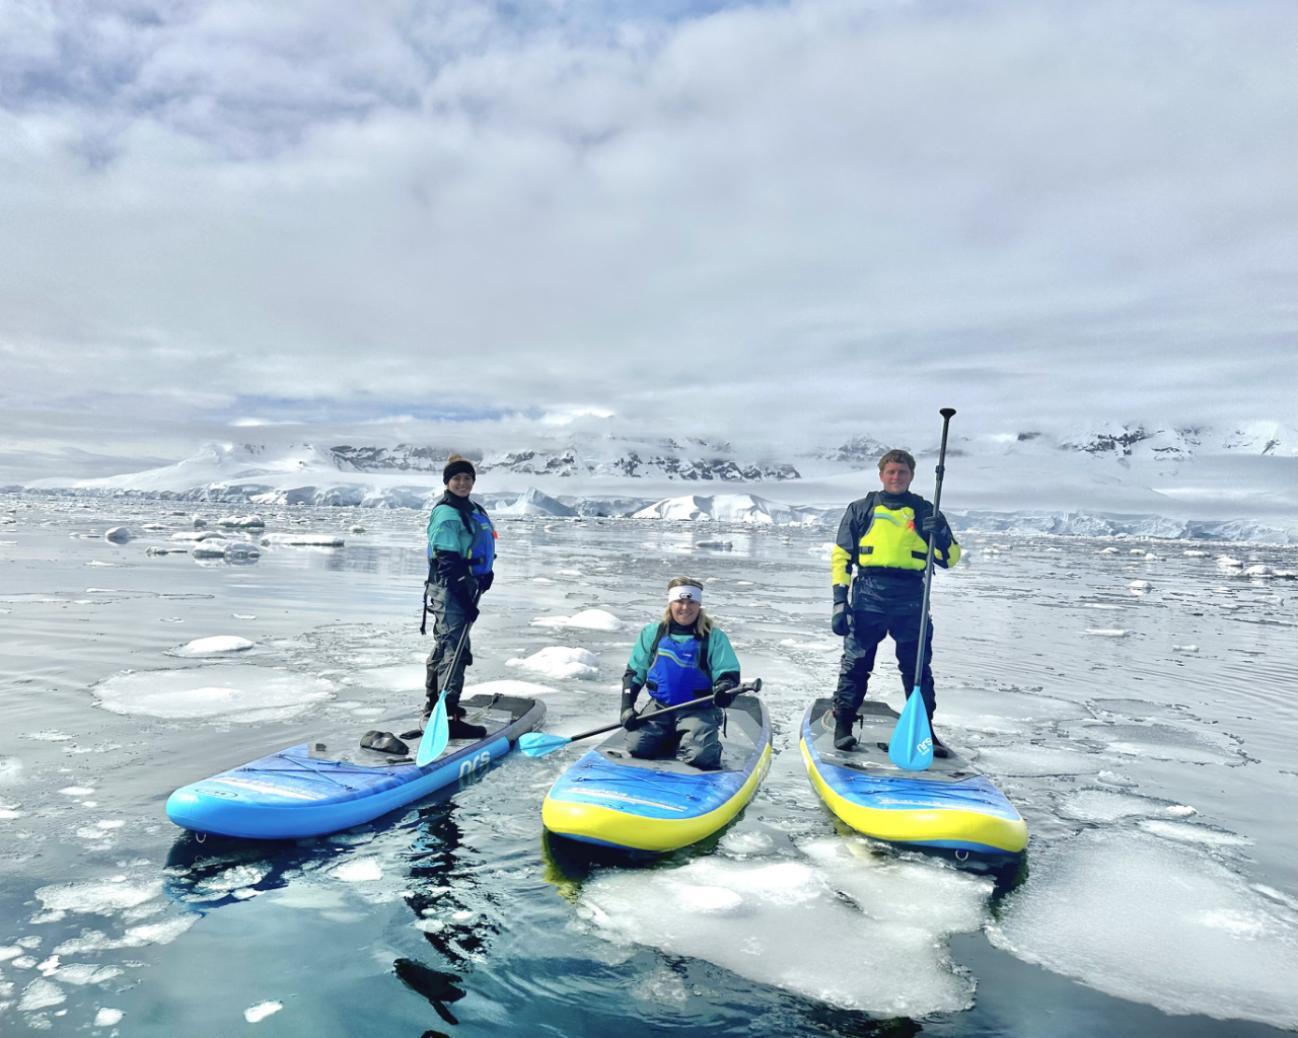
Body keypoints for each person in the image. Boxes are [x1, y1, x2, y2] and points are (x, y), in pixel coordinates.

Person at [830, 448, 961, 754]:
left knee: (917, 669)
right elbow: (842, 556)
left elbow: (951, 558)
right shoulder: (861, 509)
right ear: (881, 475)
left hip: (911, 598)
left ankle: (924, 730)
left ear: (911, 477)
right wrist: (839, 601)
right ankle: (843, 725)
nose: (896, 477)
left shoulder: (926, 511)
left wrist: (939, 532)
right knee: (856, 664)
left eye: (902, 472)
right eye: (891, 472)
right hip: (868, 595)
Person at [620, 577, 741, 771]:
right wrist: (627, 707)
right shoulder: (653, 633)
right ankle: (673, 735)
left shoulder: (713, 636)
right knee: (637, 747)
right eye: (680, 601)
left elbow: (727, 673)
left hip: (698, 709)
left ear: (699, 604)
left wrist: (725, 689)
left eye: (692, 602)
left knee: (701, 757)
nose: (686, 607)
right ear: (671, 603)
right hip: (661, 707)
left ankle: (700, 740)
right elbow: (635, 672)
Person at [422, 454, 496, 740]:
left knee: (447, 645)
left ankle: (435, 705)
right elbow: (448, 560)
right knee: (455, 650)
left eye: (467, 478)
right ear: (447, 482)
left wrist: (485, 574)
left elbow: (476, 547)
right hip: (451, 588)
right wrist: (464, 599)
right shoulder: (448, 513)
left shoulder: (472, 509)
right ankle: (448, 716)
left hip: (464, 585)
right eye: (457, 478)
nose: (462, 483)